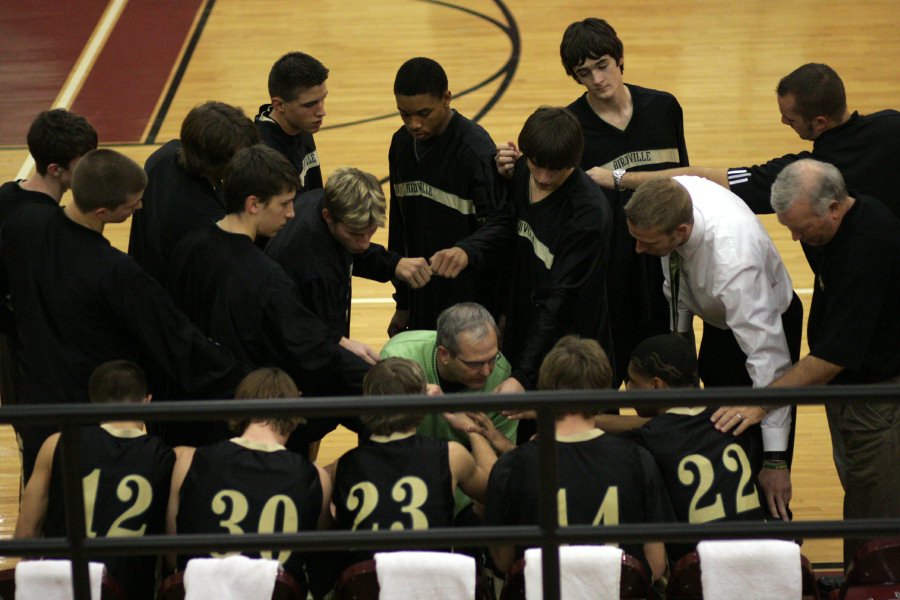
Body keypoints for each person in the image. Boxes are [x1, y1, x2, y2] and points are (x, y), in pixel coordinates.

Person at [0, 149, 246, 481]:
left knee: (45, 498)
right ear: (102, 211)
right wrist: (238, 375)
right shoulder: (116, 271)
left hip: (35, 402)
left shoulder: (24, 226)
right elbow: (174, 339)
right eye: (132, 205)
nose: (140, 207)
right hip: (93, 414)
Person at [497, 18, 686, 383]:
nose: (598, 79)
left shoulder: (664, 108)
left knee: (667, 373)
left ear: (619, 59)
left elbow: (682, 179)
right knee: (608, 375)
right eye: (585, 73)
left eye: (603, 65)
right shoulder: (571, 128)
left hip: (663, 263)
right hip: (606, 273)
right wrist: (508, 166)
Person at [167, 145, 372, 449]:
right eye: (285, 203)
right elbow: (312, 350)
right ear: (254, 204)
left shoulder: (188, 247)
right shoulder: (267, 278)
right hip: (250, 422)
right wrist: (380, 380)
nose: (291, 213)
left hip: (193, 414)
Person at [623, 175, 801, 520]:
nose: (638, 250)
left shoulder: (734, 266)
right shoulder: (672, 195)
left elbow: (771, 362)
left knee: (755, 445)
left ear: (681, 231)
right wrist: (680, 339)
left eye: (647, 243)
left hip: (763, 328)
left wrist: (775, 460)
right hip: (719, 323)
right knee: (716, 430)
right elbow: (678, 280)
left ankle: (771, 523)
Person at [763, 158, 900, 566]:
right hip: (853, 392)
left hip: (874, 399)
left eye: (800, 229)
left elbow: (831, 357)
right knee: (862, 490)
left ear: (834, 208)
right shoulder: (837, 224)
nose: (793, 239)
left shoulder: (869, 249)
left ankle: (872, 584)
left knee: (874, 508)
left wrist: (761, 400)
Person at [588, 63, 900, 219]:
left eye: (790, 119)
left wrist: (617, 177)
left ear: (819, 122)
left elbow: (698, 179)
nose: (783, 122)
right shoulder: (892, 124)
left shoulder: (804, 176)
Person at [485, 336, 674, 581]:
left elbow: (504, 562)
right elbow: (656, 565)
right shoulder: (638, 459)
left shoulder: (510, 466)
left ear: (546, 388)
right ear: (604, 390)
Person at [15, 360, 175, 600]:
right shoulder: (167, 457)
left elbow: (25, 535)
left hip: (63, 588)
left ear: (93, 402)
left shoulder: (57, 443)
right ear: (147, 402)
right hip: (126, 592)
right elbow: (172, 555)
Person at [167, 367, 331, 595]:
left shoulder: (187, 460)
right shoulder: (317, 477)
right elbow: (319, 565)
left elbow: (172, 557)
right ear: (294, 413)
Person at [494, 107, 612, 400]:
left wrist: (523, 374)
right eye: (537, 164)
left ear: (574, 161)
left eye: (555, 169)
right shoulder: (522, 173)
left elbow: (560, 300)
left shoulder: (588, 214)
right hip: (525, 325)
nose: (544, 177)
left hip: (568, 347)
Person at [387, 57, 512, 335]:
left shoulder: (475, 151)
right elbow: (400, 225)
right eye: (405, 114)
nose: (414, 124)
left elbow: (502, 226)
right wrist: (403, 302)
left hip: (471, 304)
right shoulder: (401, 145)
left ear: (446, 98)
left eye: (423, 113)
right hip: (422, 299)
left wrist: (466, 250)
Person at [332, 357, 496, 566]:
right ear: (422, 401)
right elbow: (494, 487)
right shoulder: (451, 455)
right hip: (432, 585)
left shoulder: (343, 465)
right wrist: (472, 429)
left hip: (368, 587)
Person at [620, 335, 765, 563]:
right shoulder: (728, 417)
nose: (627, 389)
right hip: (761, 562)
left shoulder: (648, 441)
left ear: (656, 386)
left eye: (631, 380)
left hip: (697, 574)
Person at [0, 109, 97, 418]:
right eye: (84, 162)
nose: (92, 168)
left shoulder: (6, 194)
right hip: (30, 351)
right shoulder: (49, 227)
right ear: (56, 169)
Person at [266, 166, 431, 337]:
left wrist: (393, 263)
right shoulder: (318, 271)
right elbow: (326, 346)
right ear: (328, 216)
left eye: (371, 231)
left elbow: (346, 246)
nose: (365, 244)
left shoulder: (322, 201)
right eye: (355, 233)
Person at [128, 101, 259, 284]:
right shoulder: (204, 217)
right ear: (215, 162)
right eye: (239, 157)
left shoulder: (164, 156)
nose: (245, 162)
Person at [255, 51, 328, 193]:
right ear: (279, 105)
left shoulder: (300, 123)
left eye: (323, 98)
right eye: (309, 104)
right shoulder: (265, 159)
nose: (321, 112)